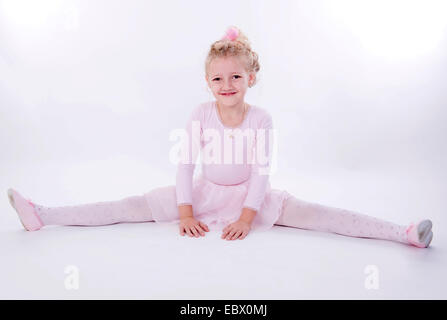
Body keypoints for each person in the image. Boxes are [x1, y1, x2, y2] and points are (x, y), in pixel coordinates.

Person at [7, 26, 433, 248]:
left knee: (321, 216)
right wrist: (186, 211)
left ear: (251, 77)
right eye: (217, 78)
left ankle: (404, 232)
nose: (226, 84)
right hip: (202, 193)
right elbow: (185, 166)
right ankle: (43, 214)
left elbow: (262, 174)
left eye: (235, 76)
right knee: (129, 206)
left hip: (252, 196)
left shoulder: (261, 119)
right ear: (206, 82)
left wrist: (248, 218)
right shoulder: (200, 114)